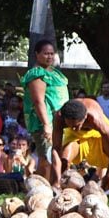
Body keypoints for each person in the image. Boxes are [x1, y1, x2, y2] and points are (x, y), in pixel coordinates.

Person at [53, 98, 109, 204]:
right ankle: (64, 199)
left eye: (77, 125)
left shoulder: (95, 118)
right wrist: (56, 179)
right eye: (70, 126)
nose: (75, 129)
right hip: (75, 138)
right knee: (63, 160)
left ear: (85, 117)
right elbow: (56, 149)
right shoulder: (59, 117)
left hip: (97, 134)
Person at [21, 39, 68, 184]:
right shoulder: (36, 73)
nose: (49, 56)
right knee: (47, 157)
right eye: (46, 53)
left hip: (60, 121)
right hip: (45, 121)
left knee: (58, 155)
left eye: (52, 53)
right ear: (37, 54)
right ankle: (43, 188)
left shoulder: (54, 72)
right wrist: (47, 125)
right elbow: (38, 101)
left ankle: (56, 184)